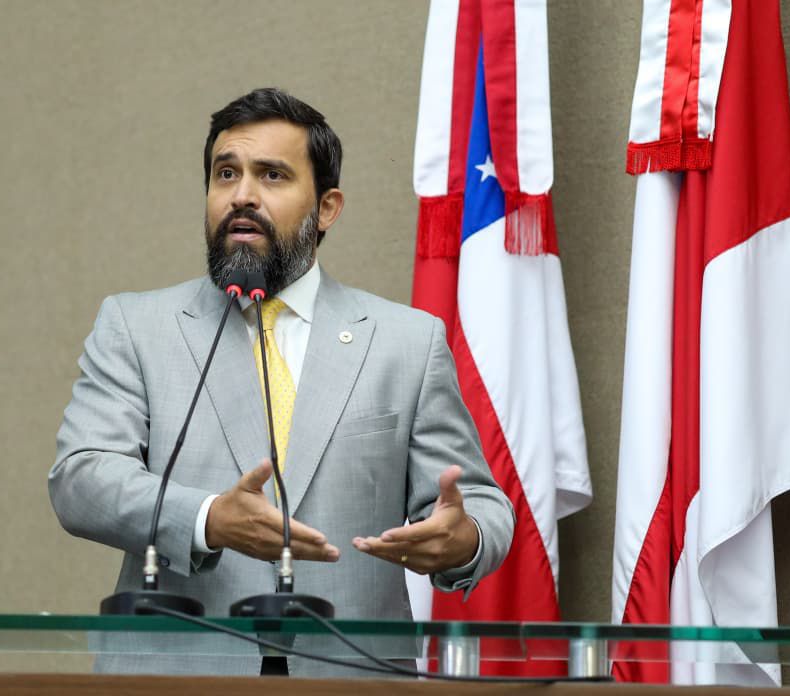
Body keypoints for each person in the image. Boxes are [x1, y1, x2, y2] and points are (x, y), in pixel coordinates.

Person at [49, 88, 515, 677]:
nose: (242, 195)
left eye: (272, 175)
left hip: (352, 675)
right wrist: (207, 518)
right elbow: (81, 479)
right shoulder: (137, 326)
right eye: (226, 174)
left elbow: (482, 505)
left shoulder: (407, 341)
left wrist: (463, 537)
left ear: (327, 208)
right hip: (175, 678)